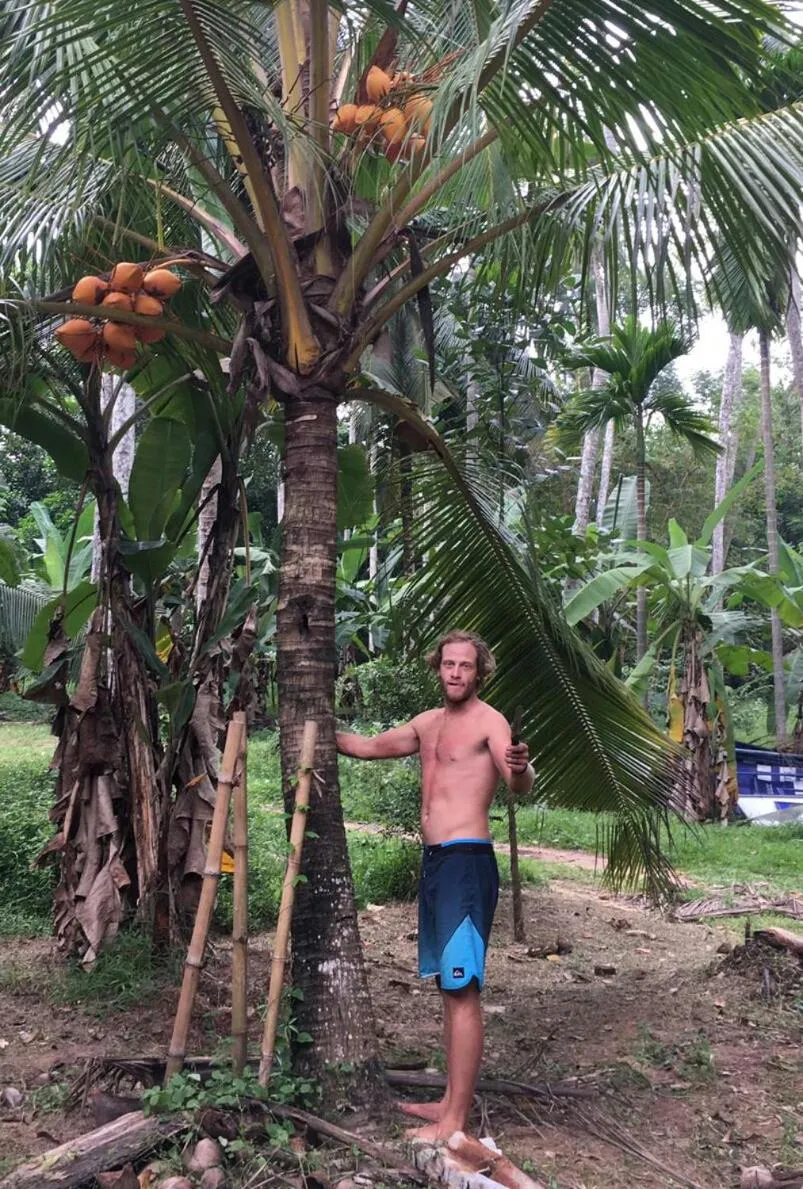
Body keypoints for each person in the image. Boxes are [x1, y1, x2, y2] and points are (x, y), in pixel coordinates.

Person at [336, 629, 534, 1141]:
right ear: (437, 668)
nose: (455, 672)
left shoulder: (490, 723)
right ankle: (448, 1099)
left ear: (479, 671)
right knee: (449, 991)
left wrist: (521, 767)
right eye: (448, 664)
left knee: (463, 989)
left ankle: (454, 1123)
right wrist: (313, 726)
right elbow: (366, 747)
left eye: (465, 666)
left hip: (467, 863)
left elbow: (518, 780)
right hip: (437, 865)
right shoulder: (427, 725)